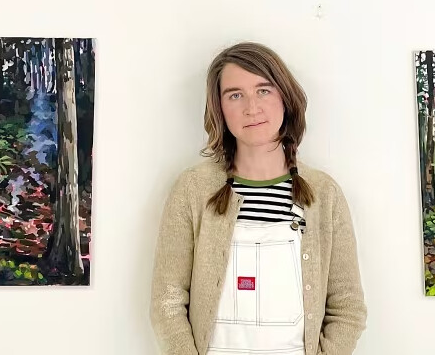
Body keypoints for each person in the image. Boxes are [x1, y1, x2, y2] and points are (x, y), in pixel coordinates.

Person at [149, 42, 367, 355]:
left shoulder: (323, 194)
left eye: (263, 90)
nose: (252, 107)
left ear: (285, 98)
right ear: (220, 108)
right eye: (235, 95)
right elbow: (166, 302)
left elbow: (348, 308)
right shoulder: (193, 189)